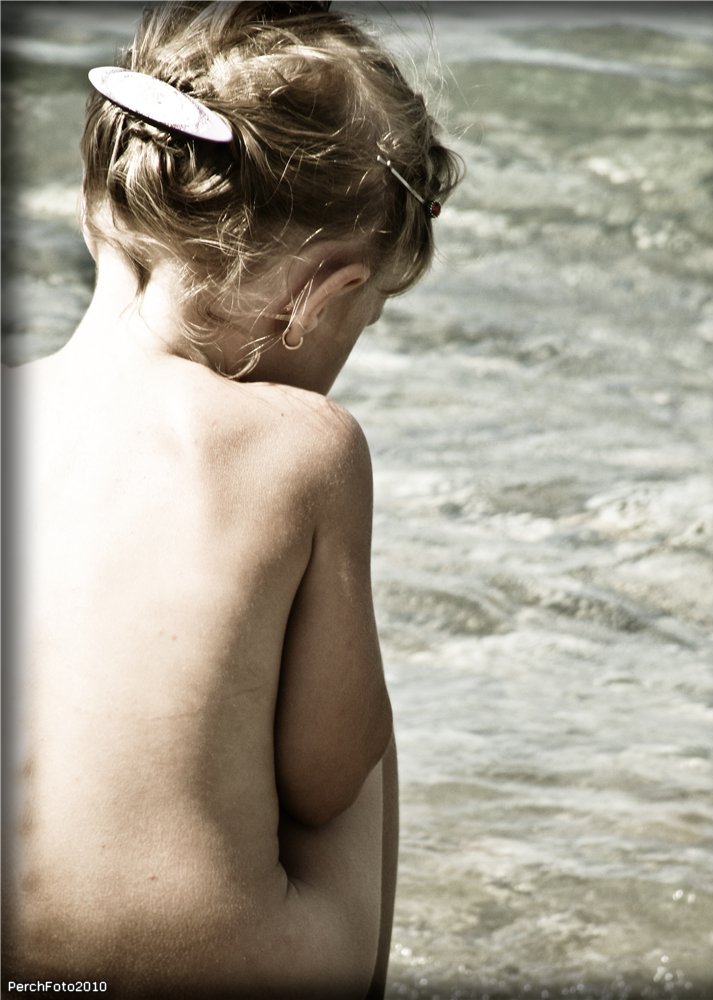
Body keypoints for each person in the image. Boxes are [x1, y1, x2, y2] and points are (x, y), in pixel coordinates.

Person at [2, 2, 462, 997]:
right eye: (366, 313)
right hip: (226, 970)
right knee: (354, 728)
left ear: (98, 209)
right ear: (317, 296)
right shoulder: (309, 445)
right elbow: (325, 777)